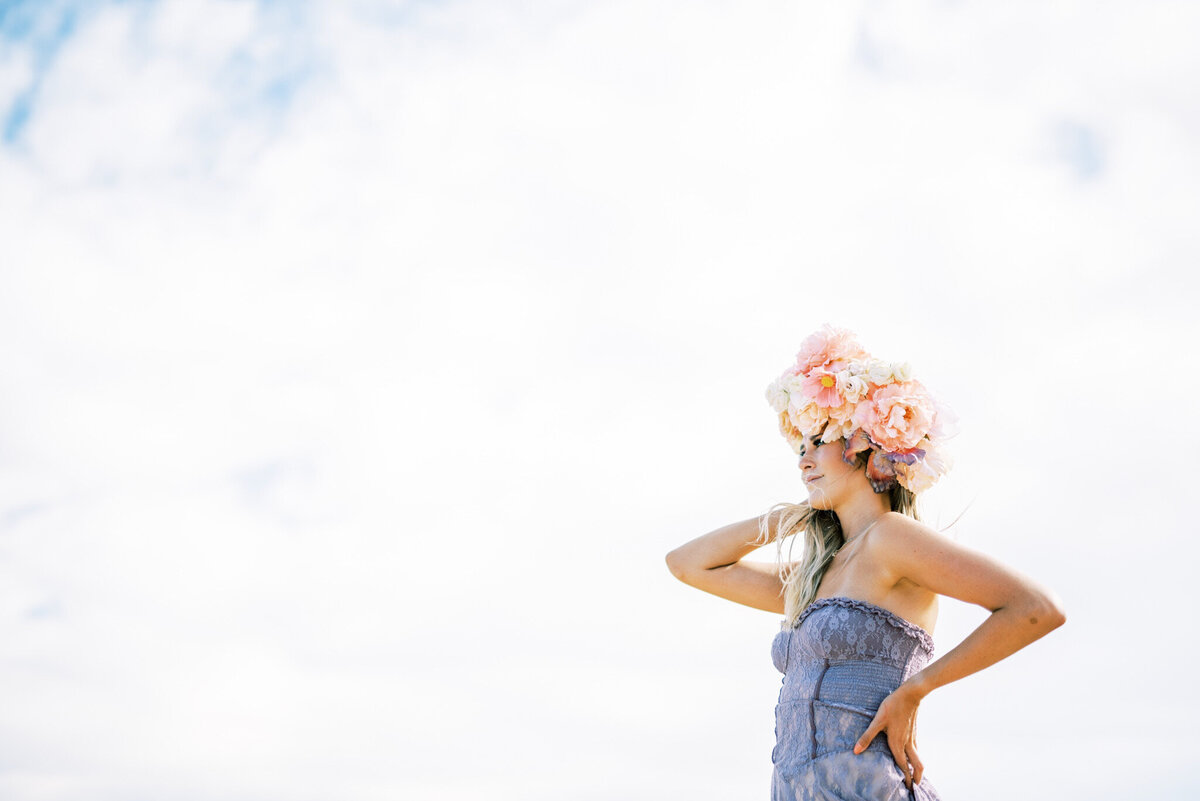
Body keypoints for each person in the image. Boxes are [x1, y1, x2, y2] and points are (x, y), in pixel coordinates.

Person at [664, 325, 1066, 800]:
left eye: (818, 442)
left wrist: (916, 690)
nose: (803, 461)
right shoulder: (813, 577)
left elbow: (1036, 608)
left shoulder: (892, 538)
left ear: (862, 446)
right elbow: (687, 564)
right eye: (800, 448)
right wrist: (785, 520)